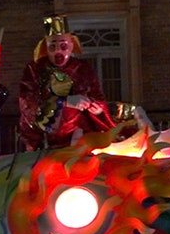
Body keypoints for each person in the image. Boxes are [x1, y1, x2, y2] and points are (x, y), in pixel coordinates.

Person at [18, 14, 118, 151]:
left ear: (72, 46)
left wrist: (97, 107)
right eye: (52, 47)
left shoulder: (83, 68)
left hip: (79, 136)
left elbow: (98, 97)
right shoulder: (35, 69)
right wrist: (63, 101)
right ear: (45, 48)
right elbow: (27, 101)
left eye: (63, 46)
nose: (58, 51)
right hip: (44, 139)